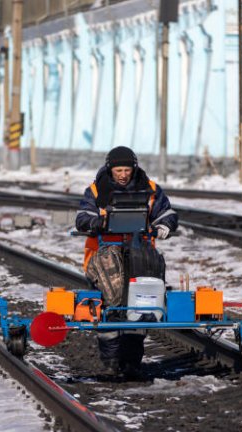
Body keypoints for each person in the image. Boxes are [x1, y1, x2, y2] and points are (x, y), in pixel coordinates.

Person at [75, 146, 178, 378]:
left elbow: (167, 213)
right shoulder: (94, 190)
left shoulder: (150, 189)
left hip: (141, 259)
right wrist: (96, 224)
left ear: (134, 168)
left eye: (127, 169)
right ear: (110, 169)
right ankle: (111, 363)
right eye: (118, 170)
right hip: (102, 259)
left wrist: (164, 226)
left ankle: (132, 363)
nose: (123, 174)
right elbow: (82, 217)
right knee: (109, 312)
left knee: (139, 310)